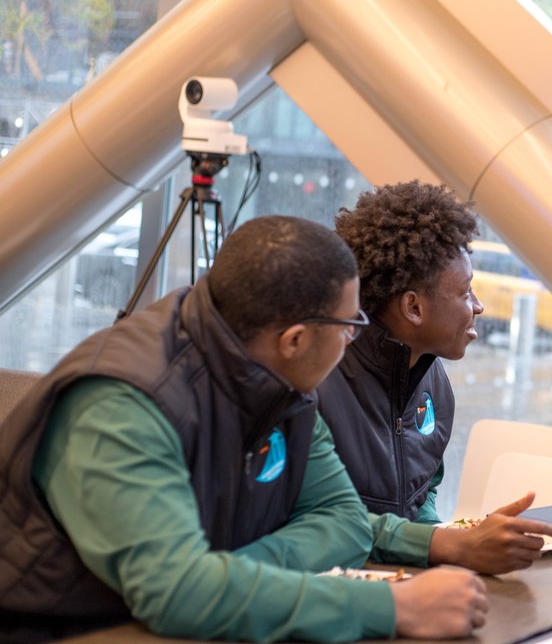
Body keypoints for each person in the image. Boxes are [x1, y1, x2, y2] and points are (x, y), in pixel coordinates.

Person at [0, 216, 488, 643]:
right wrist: (391, 607)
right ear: (294, 340)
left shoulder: (279, 379)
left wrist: (222, 577)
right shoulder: (122, 403)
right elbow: (180, 593)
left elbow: (345, 521)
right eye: (349, 326)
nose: (352, 340)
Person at [318, 181, 552, 575]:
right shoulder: (319, 381)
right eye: (465, 292)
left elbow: (423, 488)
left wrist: (446, 537)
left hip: (405, 575)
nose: (478, 306)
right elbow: (324, 520)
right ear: (413, 308)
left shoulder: (432, 378)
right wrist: (445, 544)